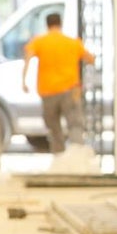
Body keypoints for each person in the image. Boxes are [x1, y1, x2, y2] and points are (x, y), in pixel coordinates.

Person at [22, 11, 96, 154]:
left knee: (54, 127)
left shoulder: (39, 42)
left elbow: (28, 59)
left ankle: (59, 156)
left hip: (48, 91)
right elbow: (90, 59)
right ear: (60, 23)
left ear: (47, 24)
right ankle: (77, 155)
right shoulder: (72, 42)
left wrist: (24, 81)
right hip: (70, 90)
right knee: (74, 124)